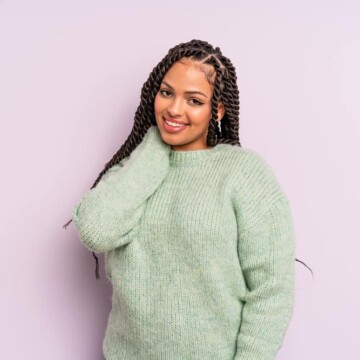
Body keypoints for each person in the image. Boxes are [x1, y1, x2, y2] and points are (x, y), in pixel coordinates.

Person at [64, 39, 302, 359]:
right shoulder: (130, 171)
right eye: (166, 93)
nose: (174, 109)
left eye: (194, 100)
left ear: (217, 109)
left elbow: (271, 290)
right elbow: (95, 230)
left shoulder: (243, 174)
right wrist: (155, 147)